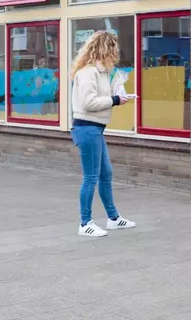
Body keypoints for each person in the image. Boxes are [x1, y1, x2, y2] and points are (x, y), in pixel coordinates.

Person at [70, 31, 136, 237]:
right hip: (87, 129)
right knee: (90, 178)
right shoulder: (88, 72)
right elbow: (88, 103)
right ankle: (85, 223)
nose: (116, 53)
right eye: (114, 48)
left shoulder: (103, 72)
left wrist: (118, 95)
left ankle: (114, 219)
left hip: (96, 129)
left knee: (105, 175)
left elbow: (101, 98)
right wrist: (115, 100)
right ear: (106, 49)